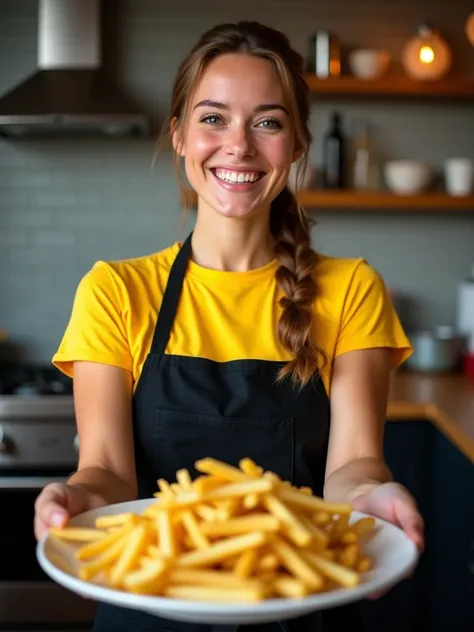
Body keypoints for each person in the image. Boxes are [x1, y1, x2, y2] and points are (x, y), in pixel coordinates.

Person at [34, 20, 424, 632]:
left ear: (296, 143)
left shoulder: (351, 290)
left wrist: (373, 496)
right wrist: (79, 500)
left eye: (267, 122)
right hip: (149, 603)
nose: (238, 146)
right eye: (213, 118)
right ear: (180, 135)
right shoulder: (115, 291)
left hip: (298, 607)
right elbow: (108, 471)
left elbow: (352, 467)